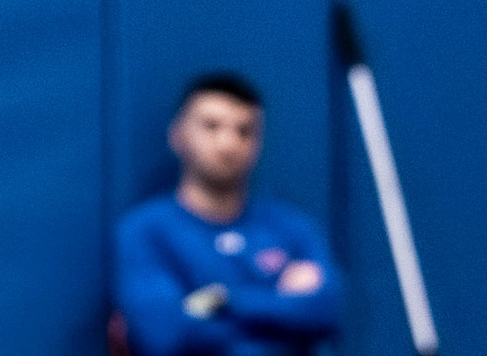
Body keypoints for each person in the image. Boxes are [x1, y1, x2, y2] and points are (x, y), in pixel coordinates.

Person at [113, 73, 340, 356]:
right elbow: (165, 336)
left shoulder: (292, 228)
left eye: (244, 131)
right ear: (178, 135)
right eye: (211, 126)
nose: (228, 144)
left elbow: (326, 311)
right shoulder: (146, 231)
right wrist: (281, 318)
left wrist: (225, 298)